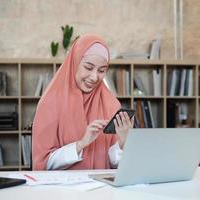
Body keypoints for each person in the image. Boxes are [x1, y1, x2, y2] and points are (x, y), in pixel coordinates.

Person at [32, 34, 134, 170]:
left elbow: (113, 164)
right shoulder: (50, 102)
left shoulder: (111, 104)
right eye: (88, 67)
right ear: (75, 62)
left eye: (102, 70)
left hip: (101, 188)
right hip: (62, 190)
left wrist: (122, 144)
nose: (94, 77)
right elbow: (44, 164)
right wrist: (81, 143)